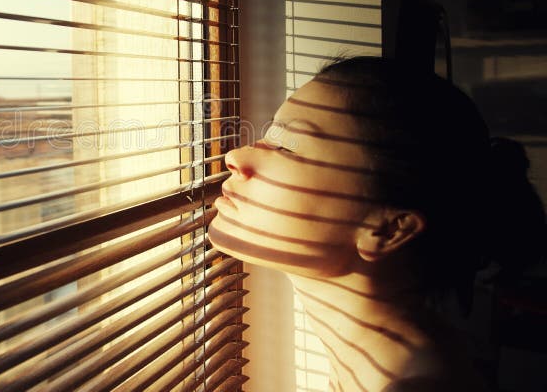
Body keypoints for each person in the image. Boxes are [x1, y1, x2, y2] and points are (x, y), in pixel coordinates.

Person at [208, 56, 546, 392]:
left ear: (388, 230)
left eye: (287, 147)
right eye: (269, 136)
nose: (235, 157)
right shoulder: (381, 363)